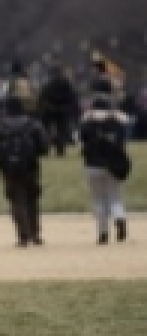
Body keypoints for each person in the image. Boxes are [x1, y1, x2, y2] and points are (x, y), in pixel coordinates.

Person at [0, 98, 49, 247]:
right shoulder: (33, 124)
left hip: (8, 167)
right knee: (32, 199)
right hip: (30, 165)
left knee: (16, 200)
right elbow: (44, 146)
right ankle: (35, 233)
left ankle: (23, 235)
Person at [79, 97, 132, 244]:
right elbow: (122, 145)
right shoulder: (117, 123)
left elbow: (82, 143)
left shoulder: (87, 123)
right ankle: (119, 217)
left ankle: (103, 234)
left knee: (98, 200)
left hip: (92, 165)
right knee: (115, 196)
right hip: (113, 165)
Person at [38, 66, 79, 157]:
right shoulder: (66, 83)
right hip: (63, 110)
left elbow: (42, 98)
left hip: (49, 109)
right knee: (62, 130)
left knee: (47, 130)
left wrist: (43, 109)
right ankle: (60, 150)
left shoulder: (47, 84)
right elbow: (72, 97)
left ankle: (45, 149)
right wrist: (71, 109)